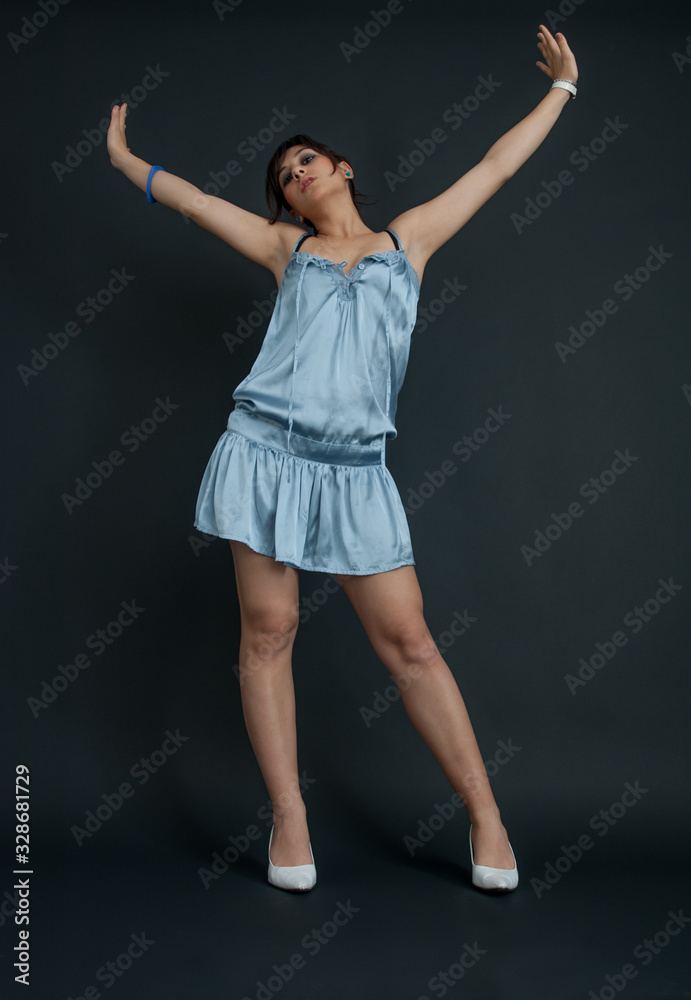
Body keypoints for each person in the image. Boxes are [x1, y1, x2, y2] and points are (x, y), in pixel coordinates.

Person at [107, 25, 578, 894]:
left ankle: (486, 815)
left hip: (356, 474)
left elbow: (494, 168)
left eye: (307, 159)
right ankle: (288, 816)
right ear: (286, 205)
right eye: (285, 175)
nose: (296, 172)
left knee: (410, 646)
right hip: (264, 457)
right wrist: (122, 156)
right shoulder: (286, 250)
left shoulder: (408, 242)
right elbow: (192, 203)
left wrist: (561, 89)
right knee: (268, 633)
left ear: (344, 167)